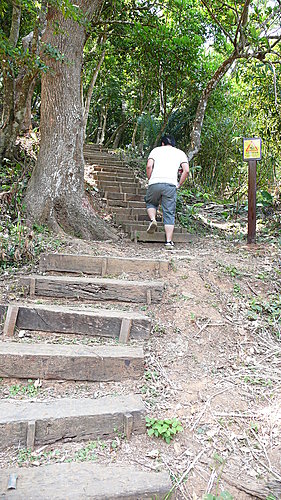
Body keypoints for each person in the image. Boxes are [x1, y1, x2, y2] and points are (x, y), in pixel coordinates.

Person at [144, 135, 189, 249]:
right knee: (169, 212)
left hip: (155, 182)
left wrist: (150, 179)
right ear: (173, 144)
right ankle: (168, 242)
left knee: (151, 202)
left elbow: (149, 166)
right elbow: (186, 170)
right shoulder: (180, 153)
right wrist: (179, 184)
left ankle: (153, 220)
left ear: (162, 143)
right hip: (170, 185)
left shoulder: (156, 150)